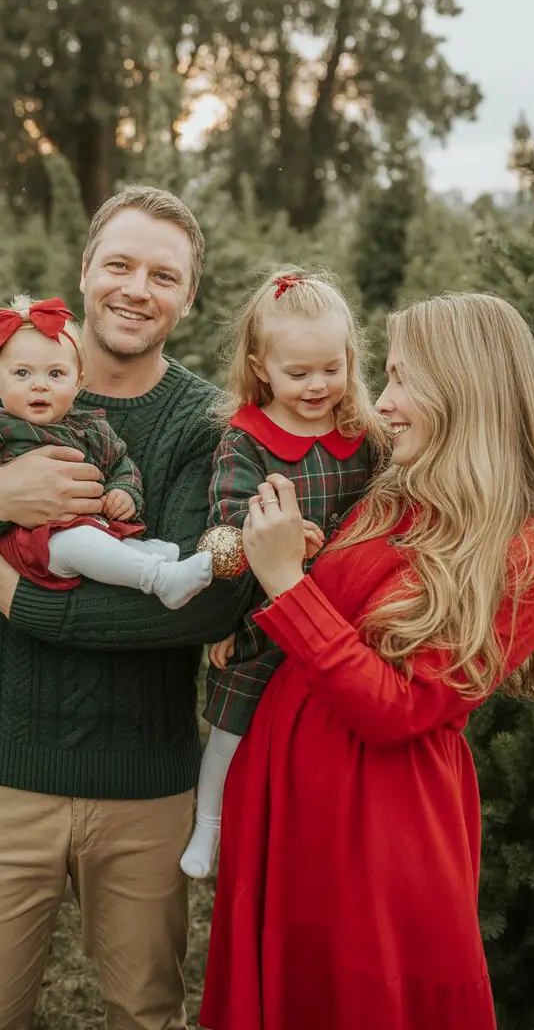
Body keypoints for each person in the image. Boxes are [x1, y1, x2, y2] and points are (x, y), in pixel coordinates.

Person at [0, 185, 256, 1030]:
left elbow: (203, 604)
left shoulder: (202, 422)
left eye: (162, 274)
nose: (135, 289)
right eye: (119, 264)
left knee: (145, 1014)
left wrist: (38, 609)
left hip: (143, 791)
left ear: (188, 297)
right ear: (84, 271)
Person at [199, 292, 534, 1030]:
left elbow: (396, 707)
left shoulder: (533, 547)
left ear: (463, 389)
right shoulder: (397, 492)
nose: (382, 401)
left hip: (378, 833)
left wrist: (285, 581)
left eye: (404, 380)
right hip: (283, 802)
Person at [179, 269, 387, 878]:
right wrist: (270, 539)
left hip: (346, 612)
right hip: (266, 608)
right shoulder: (247, 439)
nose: (318, 385)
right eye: (299, 373)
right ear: (261, 366)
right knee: (231, 721)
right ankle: (208, 824)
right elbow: (228, 519)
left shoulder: (363, 436)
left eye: (332, 368)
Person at [0, 293, 213, 607]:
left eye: (55, 374)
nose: (39, 385)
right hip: (34, 543)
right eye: (22, 373)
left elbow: (120, 465)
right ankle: (161, 579)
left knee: (97, 542)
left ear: (77, 382)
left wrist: (124, 491)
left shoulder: (91, 428)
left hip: (83, 526)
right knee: (78, 544)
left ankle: (154, 558)